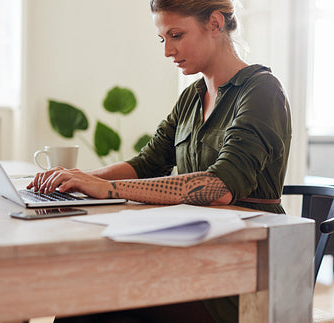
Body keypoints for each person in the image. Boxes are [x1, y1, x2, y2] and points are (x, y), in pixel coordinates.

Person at [31, 0, 291, 321]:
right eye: (163, 39)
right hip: (192, 254)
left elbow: (219, 187)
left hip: (243, 271)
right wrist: (77, 179)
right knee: (84, 297)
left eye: (176, 35)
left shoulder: (261, 90)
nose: (168, 51)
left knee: (95, 305)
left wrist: (108, 188)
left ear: (214, 23)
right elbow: (147, 163)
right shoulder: (191, 97)